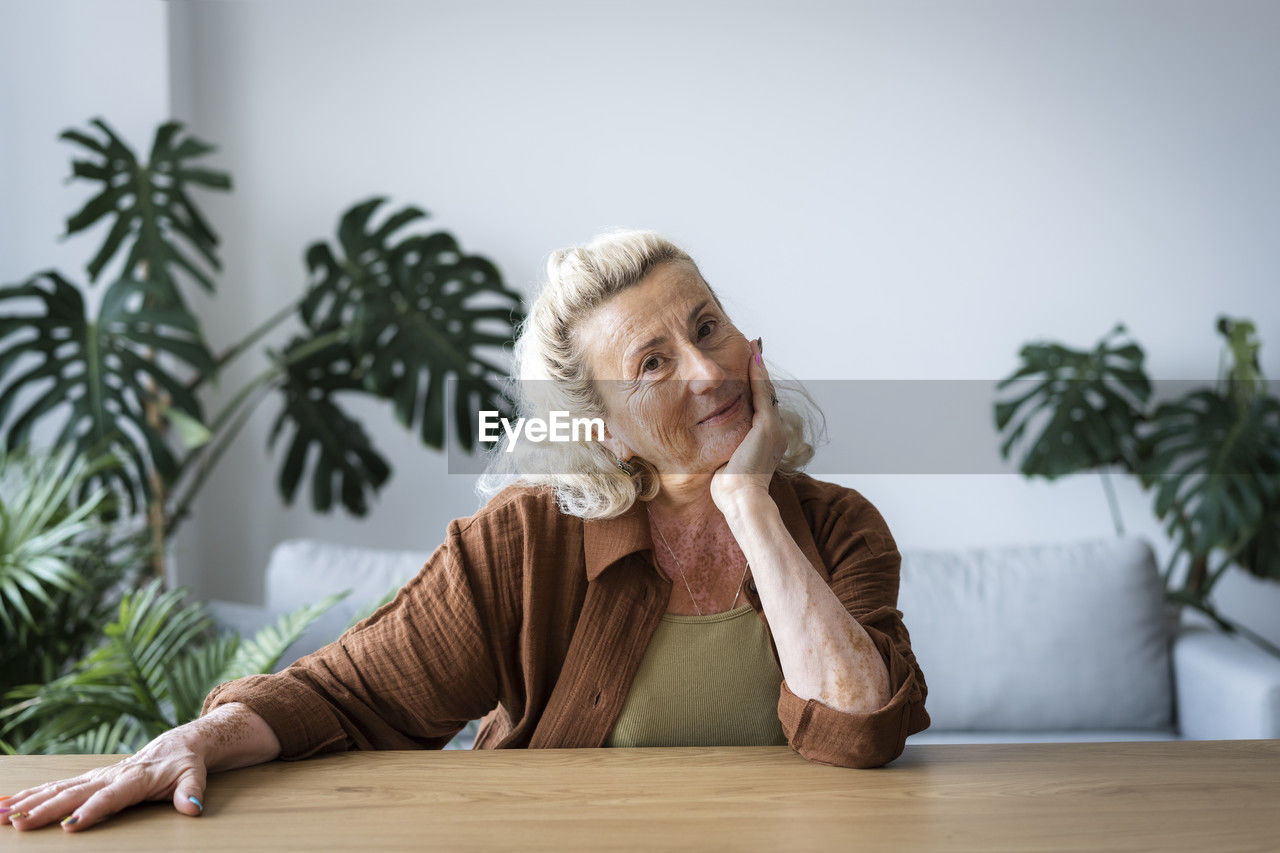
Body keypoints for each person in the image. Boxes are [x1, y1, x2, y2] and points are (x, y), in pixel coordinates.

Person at [2, 229, 930, 833]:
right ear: (599, 424)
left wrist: (751, 505)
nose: (706, 369)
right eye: (654, 360)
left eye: (708, 325)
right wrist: (195, 739)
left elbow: (860, 730)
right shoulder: (524, 541)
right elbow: (351, 694)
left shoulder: (838, 528)